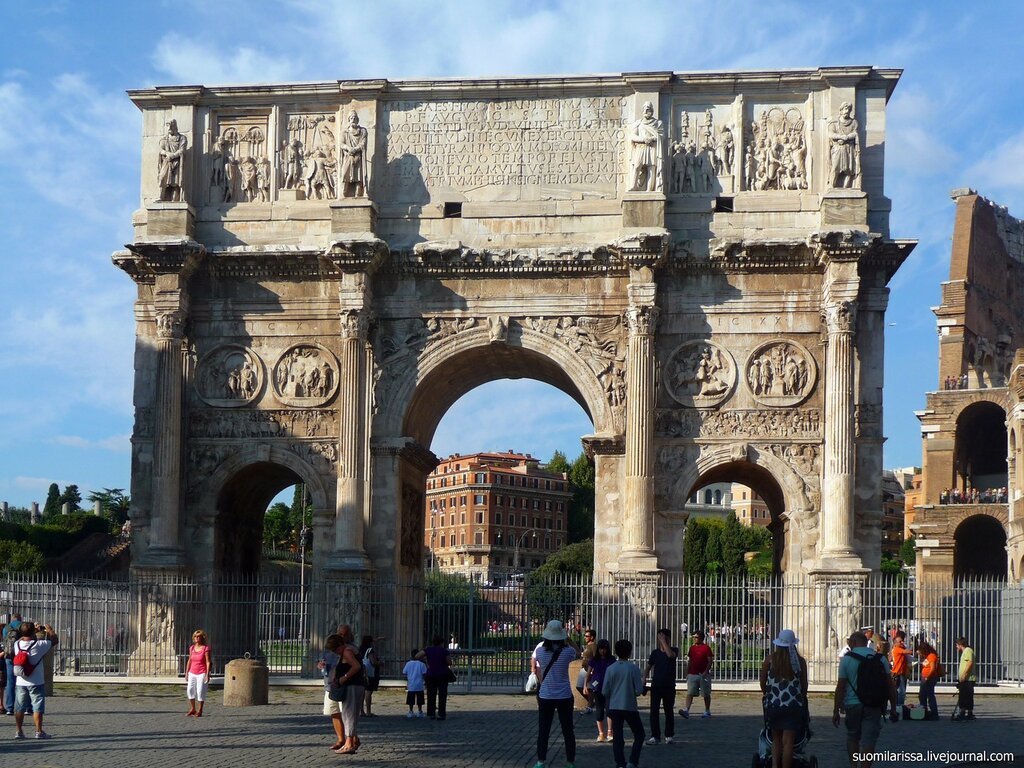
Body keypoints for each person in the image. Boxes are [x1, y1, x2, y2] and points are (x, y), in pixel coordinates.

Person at [833, 631, 897, 768]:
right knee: (869, 741)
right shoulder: (881, 659)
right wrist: (893, 707)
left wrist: (836, 710)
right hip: (874, 704)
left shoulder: (847, 660)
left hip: (852, 703)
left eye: (850, 642)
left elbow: (840, 687)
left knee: (852, 736)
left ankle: (853, 765)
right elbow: (890, 685)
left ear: (854, 642)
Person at [533, 619, 580, 768]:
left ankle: (541, 761)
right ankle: (570, 761)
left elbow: (539, 668)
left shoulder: (540, 651)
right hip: (564, 695)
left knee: (544, 730)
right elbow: (578, 652)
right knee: (567, 730)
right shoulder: (568, 652)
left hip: (546, 695)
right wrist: (568, 639)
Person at [759, 629, 808, 768]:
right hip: (793, 705)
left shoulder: (770, 660)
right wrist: (801, 697)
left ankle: (775, 765)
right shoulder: (799, 661)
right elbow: (804, 685)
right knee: (788, 742)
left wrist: (767, 694)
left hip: (774, 704)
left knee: (776, 739)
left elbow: (763, 681)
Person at [603, 638, 646, 768]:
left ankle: (620, 762)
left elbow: (605, 690)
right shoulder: (633, 668)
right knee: (639, 734)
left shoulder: (610, 669)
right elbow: (639, 690)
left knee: (618, 735)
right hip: (629, 705)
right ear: (630, 652)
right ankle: (633, 761)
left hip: (615, 706)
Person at [13, 621, 57, 739]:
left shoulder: (16, 644)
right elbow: (54, 640)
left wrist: (32, 631)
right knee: (37, 706)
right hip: (36, 681)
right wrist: (49, 629)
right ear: (33, 632)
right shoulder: (39, 645)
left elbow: (25, 637)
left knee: (19, 707)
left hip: (20, 681)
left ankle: (19, 731)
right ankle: (38, 731)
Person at [333, 624, 364, 754]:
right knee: (350, 714)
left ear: (350, 635)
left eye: (345, 634)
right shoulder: (349, 648)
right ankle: (351, 740)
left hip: (352, 685)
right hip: (356, 685)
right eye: (340, 634)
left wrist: (343, 678)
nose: (343, 637)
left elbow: (356, 666)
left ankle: (349, 743)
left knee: (349, 714)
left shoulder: (347, 650)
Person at [644, 627, 678, 744]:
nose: (661, 639)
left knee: (669, 711)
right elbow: (648, 667)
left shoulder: (674, 650)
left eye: (663, 637)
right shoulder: (655, 653)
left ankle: (669, 735)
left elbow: (670, 655)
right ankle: (655, 736)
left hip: (669, 686)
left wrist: (664, 642)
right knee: (654, 711)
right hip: (656, 685)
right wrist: (644, 679)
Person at [318, 633, 346, 751]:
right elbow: (320, 664)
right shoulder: (327, 652)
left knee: (346, 715)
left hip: (343, 686)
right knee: (333, 712)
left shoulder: (348, 650)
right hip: (329, 685)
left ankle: (352, 739)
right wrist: (320, 665)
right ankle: (341, 739)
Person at [585, 638, 615, 742]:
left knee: (610, 711)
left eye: (605, 649)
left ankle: (610, 732)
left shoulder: (611, 660)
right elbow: (588, 673)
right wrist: (585, 685)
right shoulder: (594, 660)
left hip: (609, 688)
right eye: (601, 649)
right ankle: (601, 733)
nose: (603, 651)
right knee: (599, 711)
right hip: (597, 688)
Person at [679, 630, 713, 718]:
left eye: (696, 637)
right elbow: (690, 661)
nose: (694, 639)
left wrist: (706, 671)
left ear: (701, 638)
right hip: (693, 673)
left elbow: (710, 661)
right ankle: (686, 709)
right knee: (690, 692)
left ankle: (707, 710)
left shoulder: (706, 648)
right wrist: (687, 672)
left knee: (706, 694)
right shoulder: (692, 648)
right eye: (693, 637)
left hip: (703, 674)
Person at [420, 634, 452, 720]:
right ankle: (441, 714)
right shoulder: (444, 651)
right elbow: (449, 662)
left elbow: (417, 656)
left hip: (431, 674)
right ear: (441, 642)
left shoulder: (428, 650)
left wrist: (427, 660)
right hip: (442, 674)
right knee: (442, 695)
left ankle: (431, 713)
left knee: (431, 695)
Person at [339, 110, 368, 197]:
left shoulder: (363, 131)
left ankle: (358, 193)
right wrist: (348, 148)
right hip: (348, 156)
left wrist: (355, 149)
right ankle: (344, 192)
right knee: (345, 174)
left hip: (358, 156)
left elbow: (363, 143)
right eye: (351, 118)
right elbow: (341, 144)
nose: (353, 119)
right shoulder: (344, 132)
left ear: (357, 120)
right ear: (349, 119)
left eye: (355, 118)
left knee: (359, 175)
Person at [157, 119, 188, 202]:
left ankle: (174, 200)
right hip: (166, 162)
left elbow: (182, 150)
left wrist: (173, 155)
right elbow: (160, 150)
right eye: (168, 125)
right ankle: (161, 196)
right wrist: (167, 154)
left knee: (176, 182)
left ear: (175, 126)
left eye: (172, 125)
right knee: (162, 178)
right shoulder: (163, 139)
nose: (170, 127)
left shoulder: (182, 138)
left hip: (177, 162)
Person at [186, 629, 211, 717]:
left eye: (198, 636)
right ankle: (193, 708)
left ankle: (200, 710)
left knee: (200, 691)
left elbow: (208, 662)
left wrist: (207, 674)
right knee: (190, 690)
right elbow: (189, 660)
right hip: (192, 672)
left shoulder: (205, 648)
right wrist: (186, 672)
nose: (196, 638)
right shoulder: (192, 648)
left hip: (202, 672)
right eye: (195, 637)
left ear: (202, 638)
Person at [889, 630, 913, 719]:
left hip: (902, 672)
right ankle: (899, 706)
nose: (902, 642)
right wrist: (904, 646)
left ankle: (898, 706)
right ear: (895, 643)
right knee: (901, 691)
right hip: (897, 673)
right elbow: (909, 652)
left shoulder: (899, 648)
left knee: (900, 691)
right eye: (900, 641)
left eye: (902, 641)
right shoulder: (897, 649)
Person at [3, 613, 23, 716]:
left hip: (9, 656)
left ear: (12, 619)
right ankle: (25, 706)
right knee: (23, 682)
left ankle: (9, 708)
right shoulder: (23, 626)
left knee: (10, 682)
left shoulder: (6, 627)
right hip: (21, 657)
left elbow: (5, 640)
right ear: (20, 618)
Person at [917, 640, 941, 720]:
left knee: (930, 696)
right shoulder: (928, 656)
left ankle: (934, 714)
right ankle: (924, 712)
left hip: (929, 678)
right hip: (926, 678)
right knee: (922, 695)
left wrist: (927, 677)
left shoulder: (932, 656)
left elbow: (933, 668)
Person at [359, 634, 382, 717]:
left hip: (361, 671)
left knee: (362, 692)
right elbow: (373, 662)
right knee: (368, 691)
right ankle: (368, 711)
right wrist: (380, 663)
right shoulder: (370, 650)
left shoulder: (360, 648)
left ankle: (361, 710)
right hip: (369, 672)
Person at [955, 637, 976, 721]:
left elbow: (969, 663)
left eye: (957, 645)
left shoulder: (967, 650)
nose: (956, 647)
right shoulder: (966, 651)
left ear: (960, 644)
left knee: (964, 696)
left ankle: (963, 712)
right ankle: (968, 713)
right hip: (966, 678)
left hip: (967, 679)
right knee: (966, 696)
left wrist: (964, 675)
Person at [402, 649, 427, 718]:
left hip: (411, 685)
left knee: (410, 700)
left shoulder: (408, 664)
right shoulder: (422, 664)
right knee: (420, 700)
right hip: (419, 685)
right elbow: (425, 674)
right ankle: (420, 711)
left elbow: (404, 672)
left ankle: (411, 711)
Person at [577, 628, 597, 712]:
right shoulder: (587, 646)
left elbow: (596, 658)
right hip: (584, 668)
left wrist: (593, 670)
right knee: (579, 686)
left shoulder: (594, 646)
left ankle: (590, 705)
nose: (585, 637)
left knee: (590, 687)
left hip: (590, 669)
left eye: (586, 636)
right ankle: (591, 702)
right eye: (584, 636)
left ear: (592, 637)